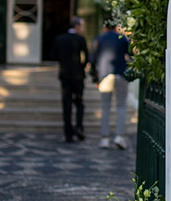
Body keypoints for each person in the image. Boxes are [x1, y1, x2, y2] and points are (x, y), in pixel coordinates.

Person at [91, 20, 130, 149]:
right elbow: (129, 54)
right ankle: (119, 136)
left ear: (105, 27)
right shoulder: (121, 38)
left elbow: (93, 58)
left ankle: (105, 138)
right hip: (120, 73)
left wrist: (94, 76)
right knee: (121, 105)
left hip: (104, 75)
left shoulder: (99, 39)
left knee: (105, 107)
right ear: (115, 27)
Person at [51, 17, 88, 143]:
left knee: (66, 104)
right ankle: (79, 127)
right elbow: (86, 57)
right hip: (78, 76)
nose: (82, 29)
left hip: (65, 75)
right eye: (81, 26)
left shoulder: (60, 39)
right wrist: (81, 68)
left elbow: (54, 55)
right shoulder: (80, 39)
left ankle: (68, 132)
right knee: (79, 102)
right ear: (76, 26)